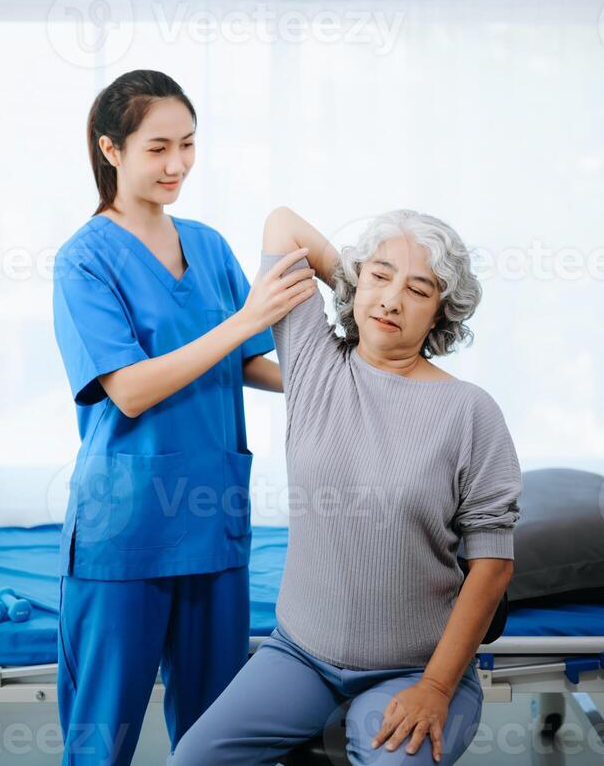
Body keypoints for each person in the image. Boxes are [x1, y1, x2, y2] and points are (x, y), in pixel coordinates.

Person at [170, 205, 523, 765]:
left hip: (415, 668)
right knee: (192, 760)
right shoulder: (314, 362)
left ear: (440, 314)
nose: (391, 300)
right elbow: (282, 225)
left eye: (419, 289)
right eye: (380, 276)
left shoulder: (470, 412)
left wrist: (434, 688)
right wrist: (361, 285)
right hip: (299, 656)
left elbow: (493, 565)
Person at [52, 71, 316, 765]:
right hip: (127, 527)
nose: (177, 165)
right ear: (111, 150)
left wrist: (340, 384)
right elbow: (130, 389)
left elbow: (247, 360)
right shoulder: (84, 260)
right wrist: (246, 322)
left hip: (212, 518)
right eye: (158, 148)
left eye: (189, 145)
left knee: (215, 738)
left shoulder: (206, 244)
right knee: (99, 739)